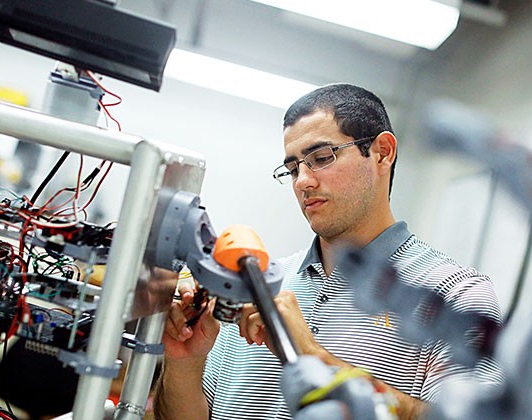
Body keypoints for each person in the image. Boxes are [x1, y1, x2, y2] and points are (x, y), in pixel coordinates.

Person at [149, 83, 503, 419]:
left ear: (382, 152)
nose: (303, 181)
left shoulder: (456, 294)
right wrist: (185, 361)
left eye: (321, 157)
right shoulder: (259, 282)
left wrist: (314, 358)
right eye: (292, 169)